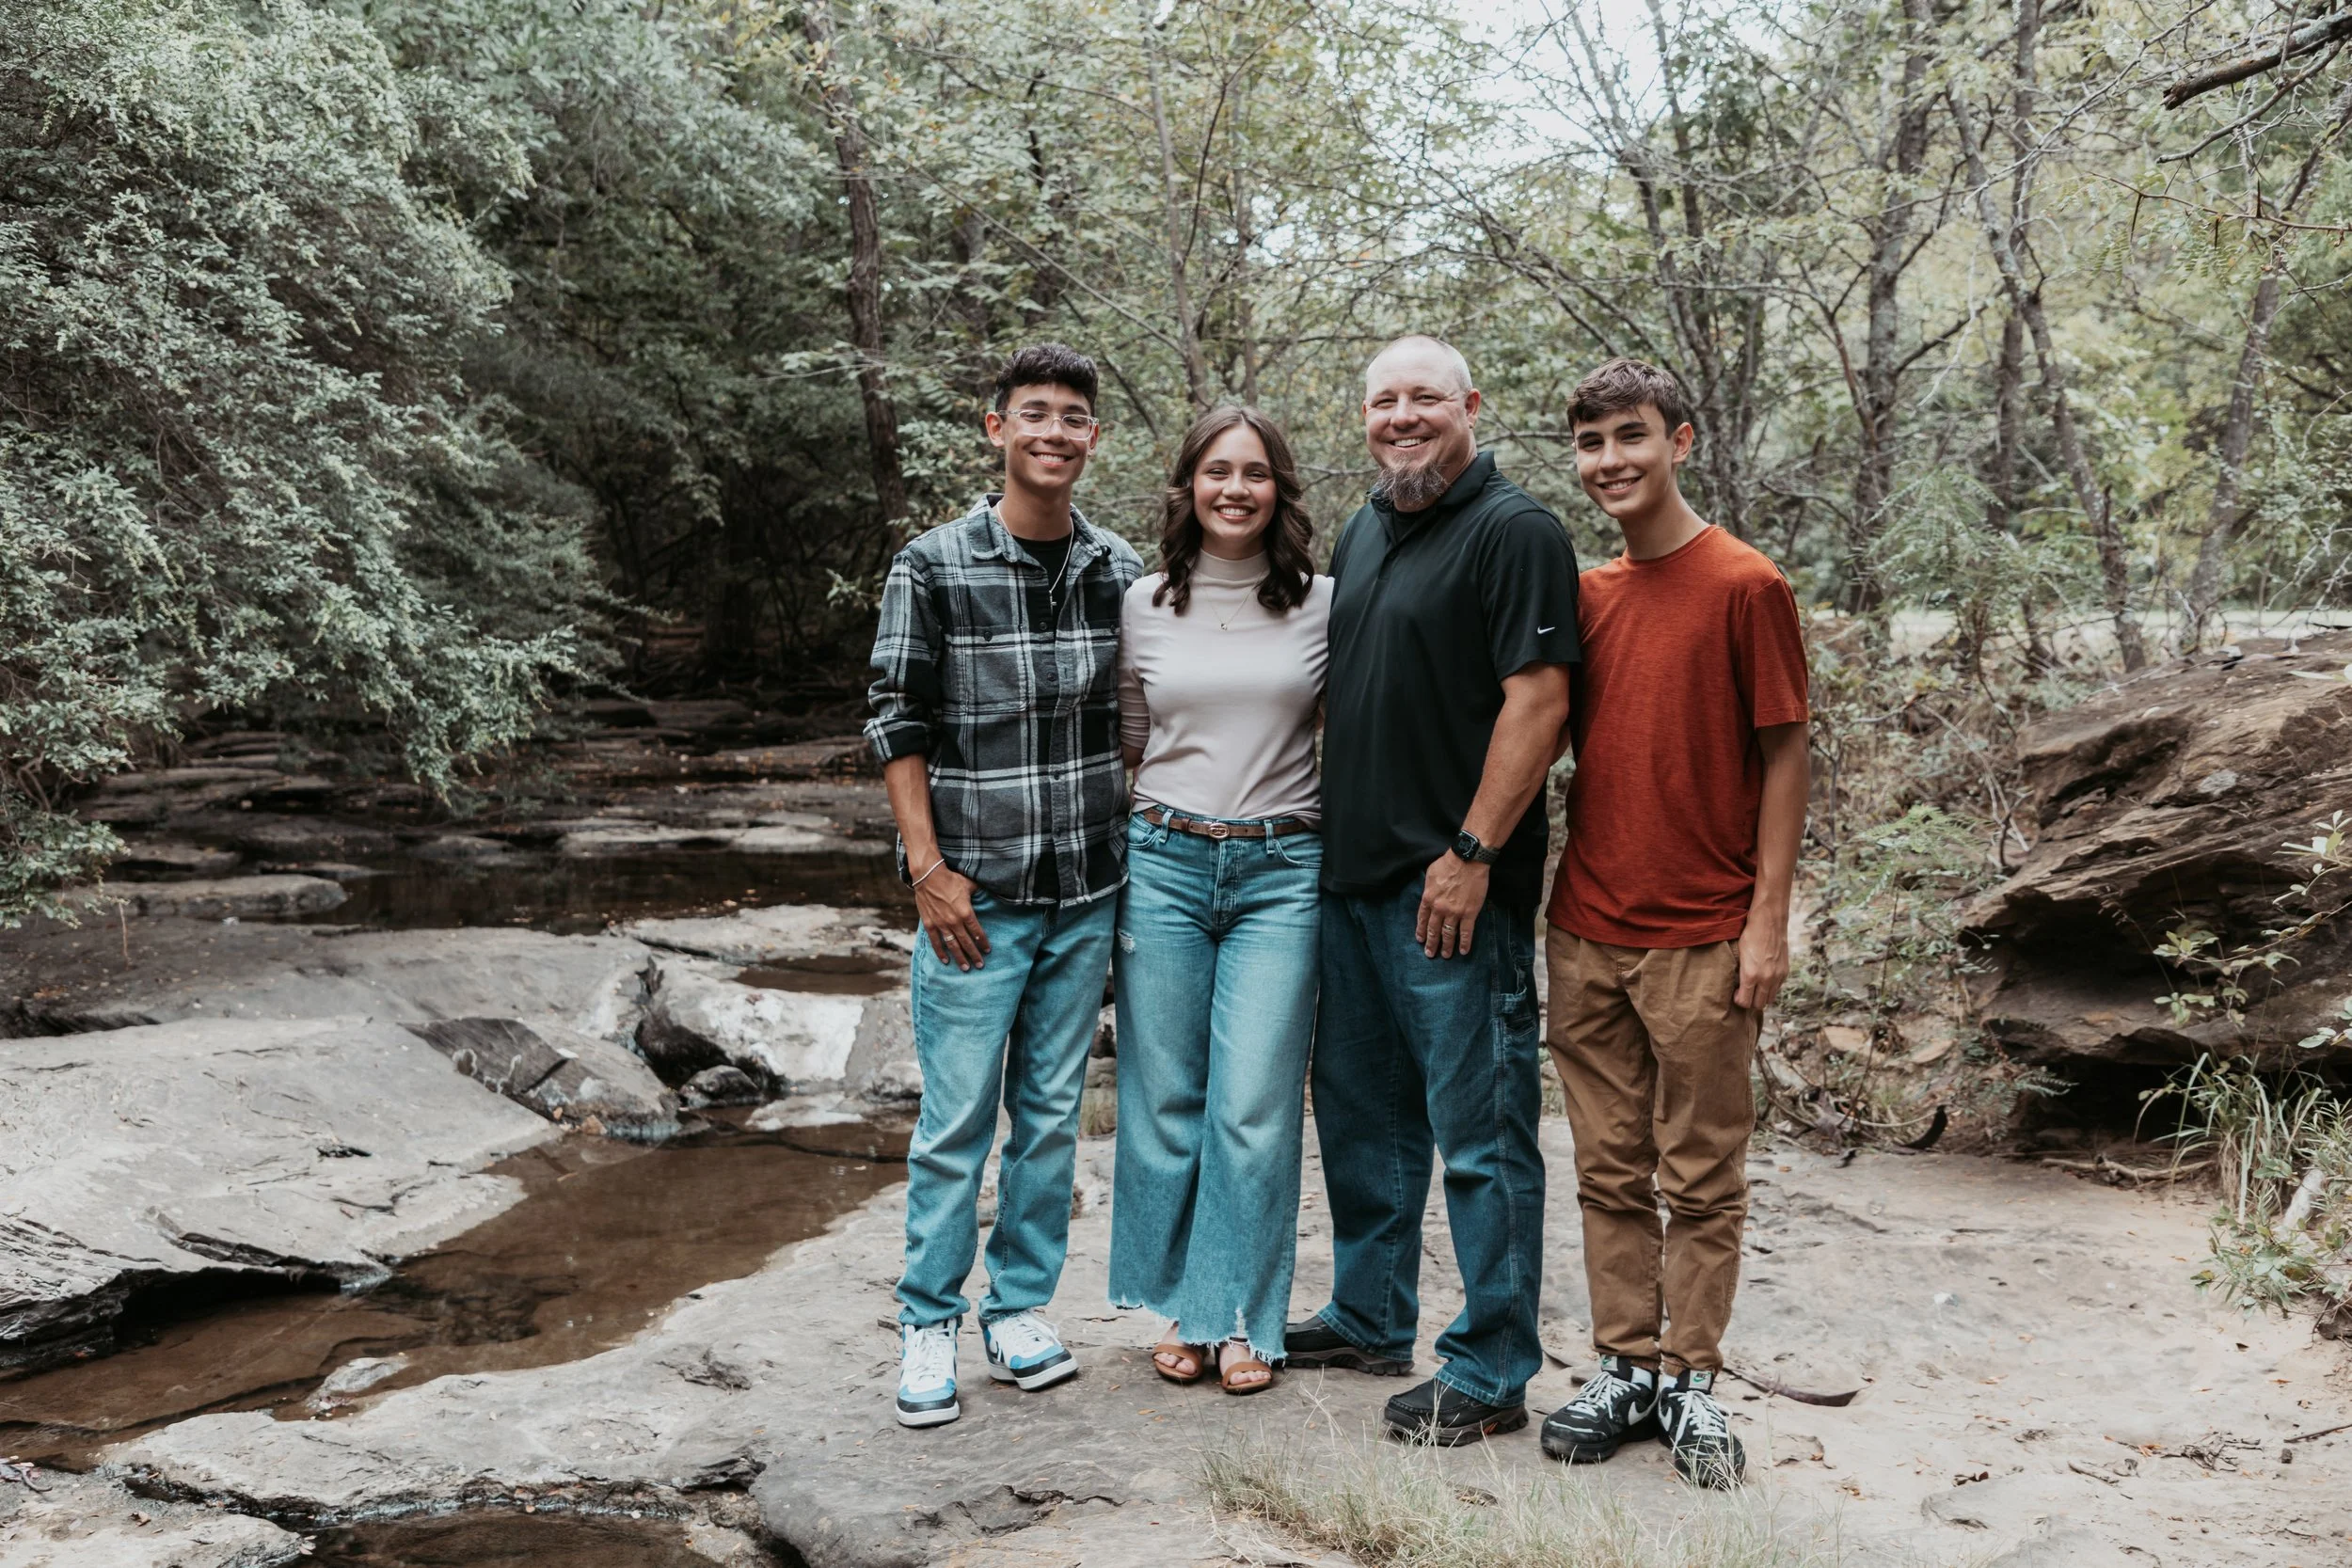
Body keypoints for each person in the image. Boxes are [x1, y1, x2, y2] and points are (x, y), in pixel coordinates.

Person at [1285, 336, 1579, 1445]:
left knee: (1481, 1132)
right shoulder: (1366, 528)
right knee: (1362, 1122)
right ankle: (1369, 1313)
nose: (1400, 416)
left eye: (1423, 399)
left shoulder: (1516, 532)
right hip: (1350, 885)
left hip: (1452, 887)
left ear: (1469, 406)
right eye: (1381, 400)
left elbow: (1538, 705)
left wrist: (1471, 851)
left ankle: (1492, 1364)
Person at [1536, 357, 1809, 1488]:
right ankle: (1622, 1364)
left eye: (1631, 436)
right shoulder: (1588, 596)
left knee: (1700, 1174)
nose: (1611, 461)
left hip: (1702, 931)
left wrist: (1767, 920)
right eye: (1593, 442)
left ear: (1681, 439)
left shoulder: (1746, 583)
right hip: (1587, 923)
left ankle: (1690, 1382)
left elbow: (1785, 751)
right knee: (1606, 1165)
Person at [866, 343, 1143, 1430]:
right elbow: (896, 721)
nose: (1055, 432)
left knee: (1048, 1116)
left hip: (1085, 891)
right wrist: (928, 871)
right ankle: (927, 1316)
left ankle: (1018, 1306)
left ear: (1092, 439)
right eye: (1034, 413)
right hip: (974, 900)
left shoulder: (1118, 567)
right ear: (996, 429)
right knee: (955, 1117)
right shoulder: (931, 565)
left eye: (1074, 417)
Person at [1109, 406, 1331, 1397]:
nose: (1234, 488)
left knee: (1253, 1103)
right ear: (1186, 485)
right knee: (1165, 1099)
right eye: (1215, 471)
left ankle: (1240, 1317)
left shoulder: (1326, 602)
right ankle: (1185, 1307)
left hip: (1282, 870)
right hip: (1161, 860)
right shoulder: (1143, 601)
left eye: (1254, 472)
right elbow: (1126, 742)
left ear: (1278, 487)